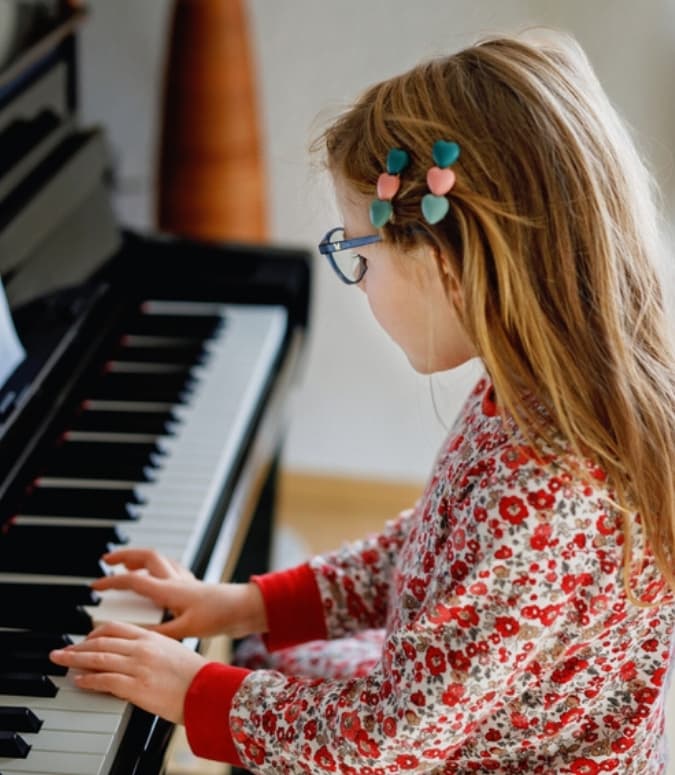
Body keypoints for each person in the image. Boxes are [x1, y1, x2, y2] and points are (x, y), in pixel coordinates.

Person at [50, 30, 675, 774]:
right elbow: (433, 548)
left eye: (359, 257)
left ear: (446, 262)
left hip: (482, 752)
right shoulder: (539, 388)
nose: (361, 281)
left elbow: (390, 737)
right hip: (466, 714)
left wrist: (193, 689)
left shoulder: (547, 483)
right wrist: (244, 601)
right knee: (263, 646)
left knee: (253, 677)